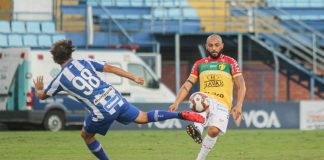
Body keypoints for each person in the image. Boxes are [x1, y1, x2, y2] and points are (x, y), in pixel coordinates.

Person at [33, 39, 205, 160]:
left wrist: (39, 89)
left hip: (102, 109)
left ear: (56, 59)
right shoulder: (84, 62)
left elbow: (42, 96)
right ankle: (181, 115)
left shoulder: (60, 79)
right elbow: (110, 68)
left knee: (86, 136)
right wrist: (134, 77)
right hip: (114, 97)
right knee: (143, 117)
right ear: (71, 54)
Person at [169, 34, 246, 160]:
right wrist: (177, 101)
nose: (214, 48)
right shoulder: (199, 64)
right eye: (210, 45)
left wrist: (239, 105)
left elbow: (241, 85)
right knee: (199, 100)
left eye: (216, 45)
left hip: (223, 104)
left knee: (213, 131)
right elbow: (187, 84)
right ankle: (197, 129)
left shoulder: (230, 62)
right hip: (205, 100)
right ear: (206, 47)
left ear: (222, 46)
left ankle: (200, 158)